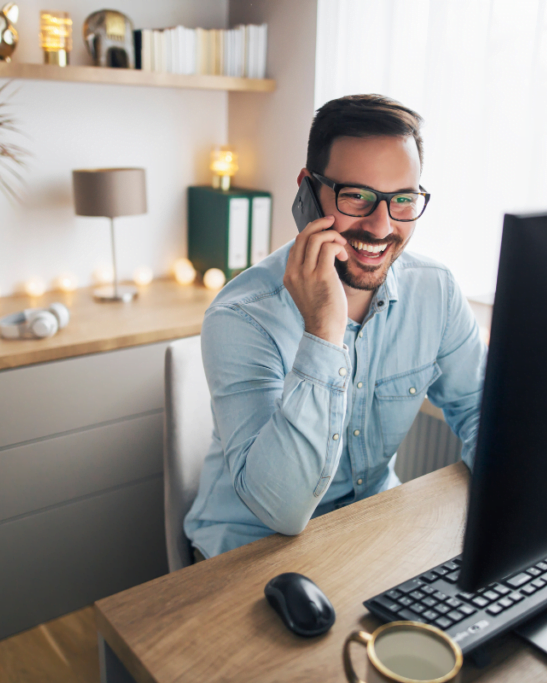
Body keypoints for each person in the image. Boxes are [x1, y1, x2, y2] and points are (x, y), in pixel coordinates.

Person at [184, 94, 487, 560]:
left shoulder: (437, 292)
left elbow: (480, 408)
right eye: (357, 196)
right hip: (248, 548)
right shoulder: (242, 315)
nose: (382, 226)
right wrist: (323, 330)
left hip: (369, 528)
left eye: (403, 199)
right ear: (307, 191)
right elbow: (281, 512)